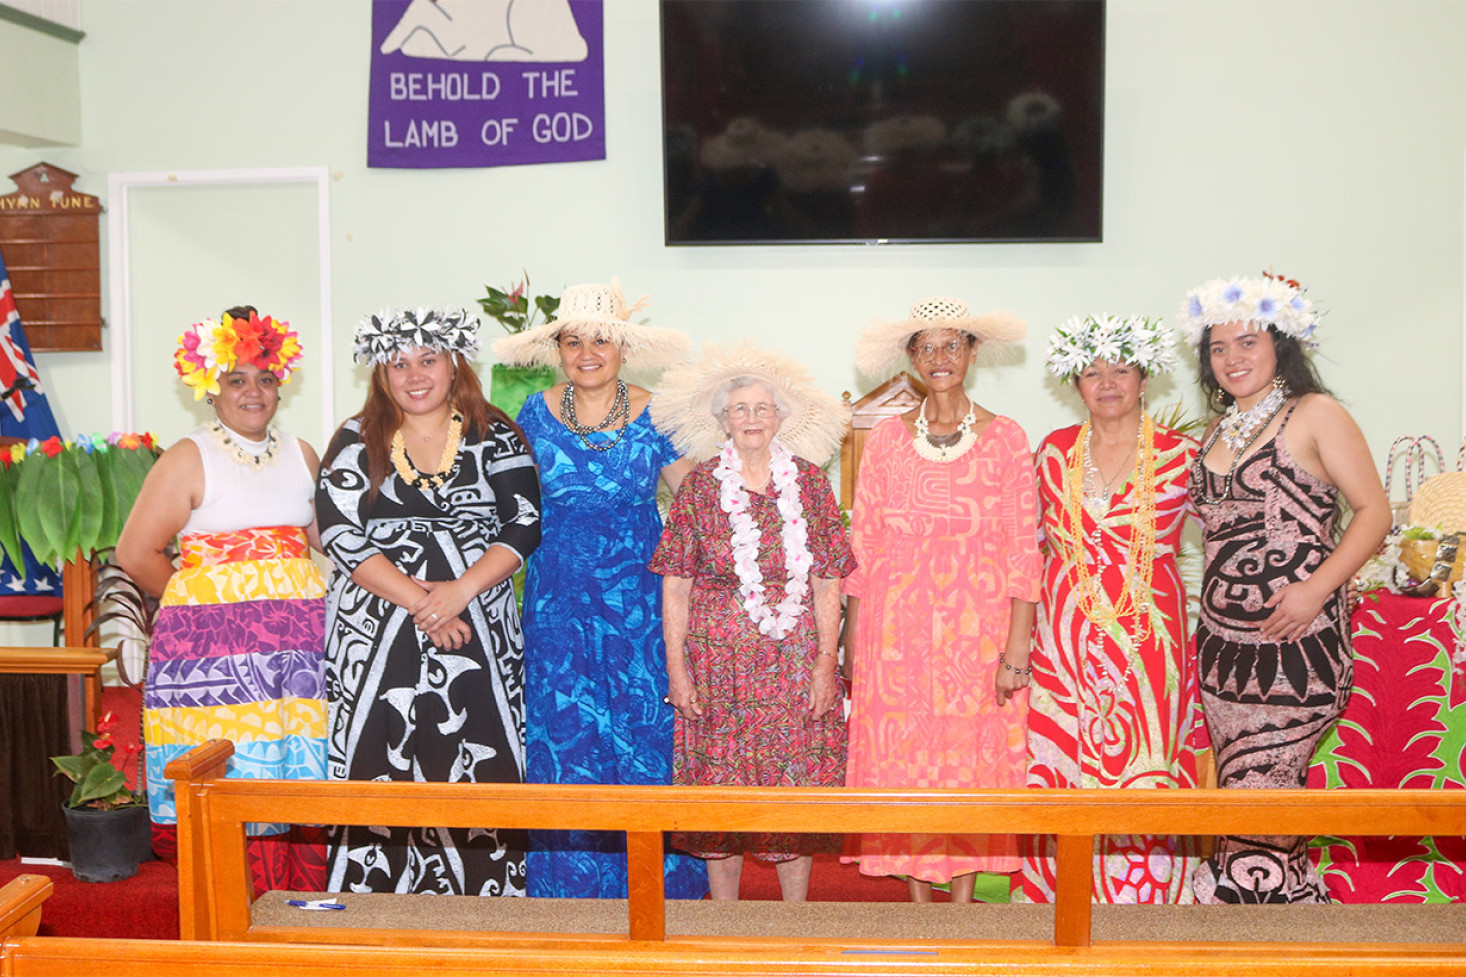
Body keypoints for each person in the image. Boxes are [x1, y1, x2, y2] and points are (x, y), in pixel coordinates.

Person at [492, 280, 706, 900]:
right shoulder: (531, 414)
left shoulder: (659, 412)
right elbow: (502, 500)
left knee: (645, 736)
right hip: (557, 605)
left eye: (602, 339)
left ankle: (657, 893)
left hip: (640, 605)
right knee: (567, 736)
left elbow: (698, 502)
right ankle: (571, 894)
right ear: (558, 348)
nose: (588, 351)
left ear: (623, 347)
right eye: (574, 340)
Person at [316, 306, 541, 895]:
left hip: (478, 623)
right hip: (373, 629)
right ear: (381, 374)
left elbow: (524, 524)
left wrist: (459, 592)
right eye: (398, 363)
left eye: (428, 359)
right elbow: (338, 531)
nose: (415, 375)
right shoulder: (352, 436)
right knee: (376, 756)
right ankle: (370, 902)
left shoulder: (496, 431)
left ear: (453, 363)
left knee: (479, 757)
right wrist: (424, 601)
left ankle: (486, 902)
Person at [1179, 273, 1389, 903]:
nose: (1233, 358)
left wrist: (1316, 590)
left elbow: (1374, 513)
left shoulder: (1316, 413)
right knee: (1246, 795)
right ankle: (1284, 915)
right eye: (1219, 348)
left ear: (1281, 346)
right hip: (1222, 652)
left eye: (1248, 343)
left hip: (1297, 645)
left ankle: (1247, 923)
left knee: (1263, 786)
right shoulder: (1212, 434)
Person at [117, 306, 325, 893]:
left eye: (265, 378)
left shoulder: (302, 454)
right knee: (235, 773)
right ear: (211, 387)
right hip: (214, 661)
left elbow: (326, 543)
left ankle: (303, 913)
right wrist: (207, 610)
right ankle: (235, 918)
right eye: (237, 379)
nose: (253, 392)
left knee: (293, 772)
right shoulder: (189, 456)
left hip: (296, 657)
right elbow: (137, 554)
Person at [844, 297, 1039, 903]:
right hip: (894, 638)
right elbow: (863, 548)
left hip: (977, 639)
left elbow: (1023, 556)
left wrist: (1015, 653)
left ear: (973, 353)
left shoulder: (1007, 439)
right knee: (901, 766)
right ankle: (919, 911)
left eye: (951, 344)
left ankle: (961, 910)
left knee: (968, 766)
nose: (939, 358)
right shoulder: (883, 440)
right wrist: (853, 648)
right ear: (911, 358)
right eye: (925, 346)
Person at [649, 342, 855, 901]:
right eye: (739, 409)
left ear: (781, 417)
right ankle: (725, 926)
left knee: (794, 794)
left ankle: (792, 925)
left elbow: (829, 581)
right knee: (720, 796)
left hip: (792, 670)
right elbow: (676, 585)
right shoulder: (698, 487)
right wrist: (678, 672)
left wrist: (823, 666)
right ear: (722, 420)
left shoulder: (810, 484)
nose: (752, 419)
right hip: (717, 671)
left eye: (763, 408)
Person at [1021, 314, 1206, 904]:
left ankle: (1145, 898)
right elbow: (1023, 549)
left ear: (1145, 378)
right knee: (1063, 759)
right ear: (1075, 384)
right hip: (1062, 635)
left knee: (1147, 756)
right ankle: (1059, 899)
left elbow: (1232, 539)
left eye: (1121, 369)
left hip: (1151, 636)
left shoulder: (1184, 456)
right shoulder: (1051, 453)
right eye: (1092, 372)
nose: (1107, 382)